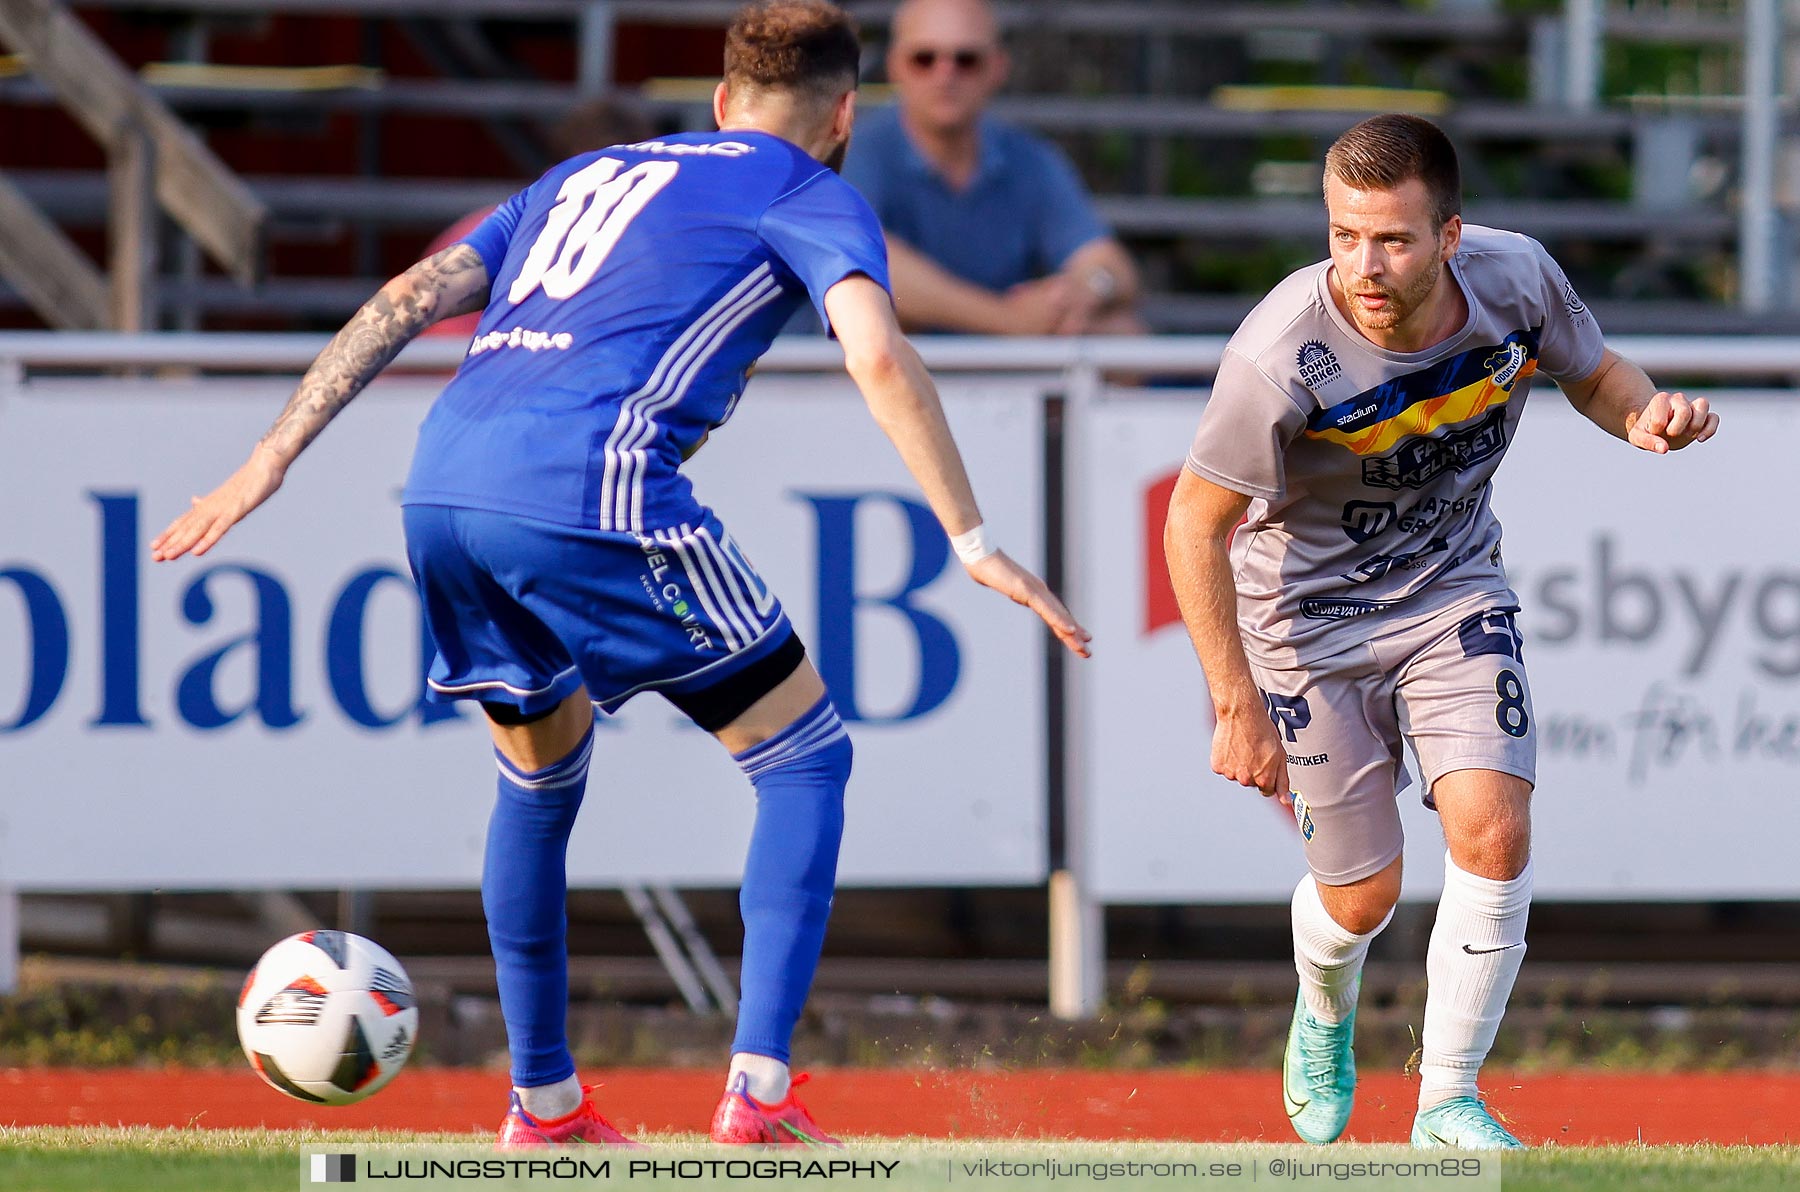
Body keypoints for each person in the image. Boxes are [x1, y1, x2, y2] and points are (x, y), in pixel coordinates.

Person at [152, 0, 1089, 1148]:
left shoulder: (581, 176)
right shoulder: (808, 187)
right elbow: (876, 350)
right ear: (846, 115)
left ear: (718, 100)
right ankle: (758, 1090)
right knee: (805, 755)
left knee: (540, 778)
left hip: (443, 484)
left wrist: (267, 458)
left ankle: (542, 1102)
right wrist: (973, 539)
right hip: (588, 484)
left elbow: (406, 298)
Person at [1163, 114, 1718, 1150]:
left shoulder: (1517, 280)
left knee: (1494, 830)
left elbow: (1595, 375)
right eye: (1342, 237)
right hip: (1307, 623)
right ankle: (1323, 1001)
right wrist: (1235, 703)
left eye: (1393, 240)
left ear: (1451, 234)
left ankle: (1447, 1099)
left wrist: (1642, 414)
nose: (1363, 267)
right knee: (1365, 892)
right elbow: (1193, 520)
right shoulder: (1281, 348)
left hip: (1452, 590)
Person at [841, 0, 1141, 335]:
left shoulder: (1030, 158)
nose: (945, 75)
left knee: (1120, 330)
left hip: (1005, 359)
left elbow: (1112, 265)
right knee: (872, 324)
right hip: (895, 363)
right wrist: (1008, 319)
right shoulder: (857, 151)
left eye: (966, 60)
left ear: (998, 67)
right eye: (924, 59)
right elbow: (864, 264)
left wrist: (1084, 290)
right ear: (895, 66)